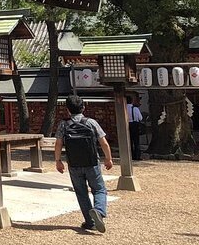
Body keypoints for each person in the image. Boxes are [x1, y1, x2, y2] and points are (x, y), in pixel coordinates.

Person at [55, 94, 113, 233]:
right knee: (99, 189)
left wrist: (58, 161)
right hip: (92, 162)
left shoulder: (64, 124)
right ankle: (98, 211)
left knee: (81, 193)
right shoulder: (91, 122)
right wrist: (108, 158)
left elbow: (58, 143)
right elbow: (103, 142)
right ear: (83, 107)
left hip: (74, 164)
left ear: (68, 110)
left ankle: (90, 221)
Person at [127, 95, 144, 160]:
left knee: (129, 141)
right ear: (132, 101)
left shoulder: (123, 108)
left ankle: (130, 156)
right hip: (135, 124)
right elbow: (140, 118)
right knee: (136, 141)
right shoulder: (135, 108)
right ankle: (137, 156)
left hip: (127, 125)